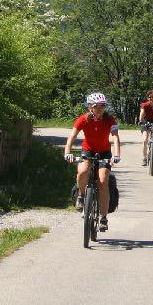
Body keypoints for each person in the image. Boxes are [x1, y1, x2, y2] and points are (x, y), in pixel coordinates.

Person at [63, 92, 121, 232]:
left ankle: (103, 218)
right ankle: (81, 196)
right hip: (88, 151)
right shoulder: (83, 119)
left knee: (103, 181)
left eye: (102, 106)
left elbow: (115, 137)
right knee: (82, 171)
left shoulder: (110, 119)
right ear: (90, 107)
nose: (100, 109)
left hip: (104, 152)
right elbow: (72, 136)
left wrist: (117, 155)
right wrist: (67, 152)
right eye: (96, 106)